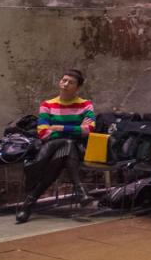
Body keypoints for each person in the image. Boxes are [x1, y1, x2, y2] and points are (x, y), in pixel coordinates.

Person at [17, 69, 96, 223]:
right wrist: (75, 130)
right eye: (64, 80)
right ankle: (80, 191)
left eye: (70, 82)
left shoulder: (86, 105)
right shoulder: (47, 105)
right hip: (52, 147)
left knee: (66, 147)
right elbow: (43, 133)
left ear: (77, 87)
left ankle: (29, 203)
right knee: (66, 145)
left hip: (78, 149)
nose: (65, 84)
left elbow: (88, 130)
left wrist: (59, 128)